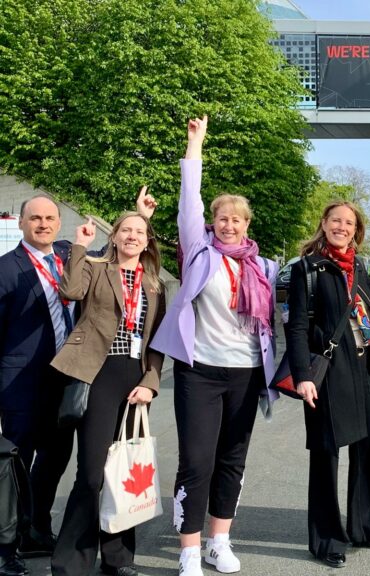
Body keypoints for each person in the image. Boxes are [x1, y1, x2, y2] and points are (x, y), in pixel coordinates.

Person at [0, 190, 155, 576]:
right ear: (21, 222)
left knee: (64, 461)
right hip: (44, 376)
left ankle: (45, 532)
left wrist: (137, 217)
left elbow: (155, 336)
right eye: (35, 218)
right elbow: (74, 288)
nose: (44, 224)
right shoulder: (12, 268)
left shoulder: (79, 256)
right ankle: (17, 551)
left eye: (50, 218)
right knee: (28, 464)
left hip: (97, 378)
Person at [149, 116, 278, 576]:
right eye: (221, 218)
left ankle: (218, 540)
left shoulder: (264, 267)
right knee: (197, 459)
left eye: (236, 219)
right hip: (200, 371)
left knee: (231, 459)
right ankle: (189, 549)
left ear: (246, 225)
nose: (228, 224)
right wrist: (195, 144)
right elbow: (189, 203)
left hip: (245, 373)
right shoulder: (199, 252)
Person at [284, 201, 370, 569]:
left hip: (365, 369)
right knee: (327, 453)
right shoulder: (307, 269)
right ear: (324, 224)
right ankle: (327, 539)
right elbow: (296, 326)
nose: (342, 227)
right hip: (327, 372)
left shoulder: (357, 265)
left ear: (355, 230)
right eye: (336, 221)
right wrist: (303, 376)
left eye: (349, 223)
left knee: (367, 448)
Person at [49, 211, 166, 576]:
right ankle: (71, 562)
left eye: (139, 232)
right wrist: (80, 246)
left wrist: (150, 381)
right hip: (97, 375)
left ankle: (117, 560)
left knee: (124, 469)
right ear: (114, 237)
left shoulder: (156, 284)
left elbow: (157, 343)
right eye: (125, 231)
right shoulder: (97, 267)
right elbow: (70, 291)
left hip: (134, 381)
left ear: (148, 241)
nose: (132, 236)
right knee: (92, 474)